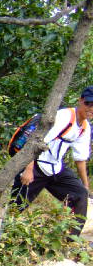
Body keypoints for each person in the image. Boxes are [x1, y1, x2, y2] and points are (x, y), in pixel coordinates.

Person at [11, 87, 93, 236]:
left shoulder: (84, 128)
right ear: (80, 101)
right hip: (35, 165)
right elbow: (34, 141)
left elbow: (80, 158)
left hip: (56, 168)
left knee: (80, 194)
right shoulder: (64, 117)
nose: (91, 108)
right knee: (15, 207)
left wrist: (85, 186)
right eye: (89, 103)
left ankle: (71, 241)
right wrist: (28, 170)